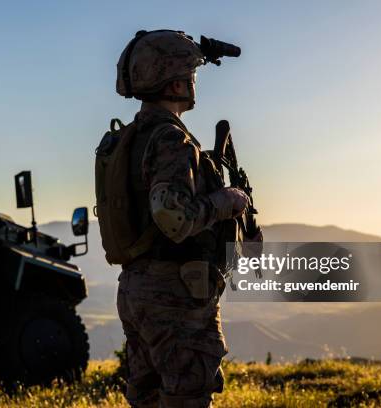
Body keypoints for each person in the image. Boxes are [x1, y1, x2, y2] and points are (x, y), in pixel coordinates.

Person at [114, 30, 256, 408]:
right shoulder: (170, 139)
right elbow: (173, 216)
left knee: (148, 397)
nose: (194, 82)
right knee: (187, 396)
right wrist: (229, 200)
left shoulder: (131, 138)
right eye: (191, 74)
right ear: (176, 81)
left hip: (136, 287)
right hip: (174, 292)